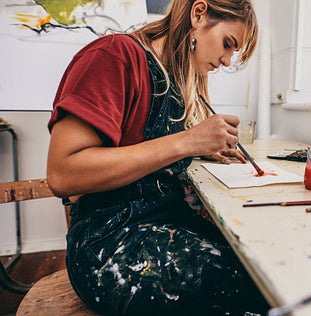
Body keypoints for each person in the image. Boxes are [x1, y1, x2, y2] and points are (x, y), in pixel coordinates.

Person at [46, 0, 269, 314]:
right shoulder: (115, 56)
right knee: (248, 289)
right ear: (199, 13)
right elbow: (62, 175)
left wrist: (204, 148)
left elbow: (153, 153)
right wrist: (186, 142)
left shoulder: (176, 81)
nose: (227, 61)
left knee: (262, 261)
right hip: (109, 240)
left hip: (164, 221)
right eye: (228, 44)